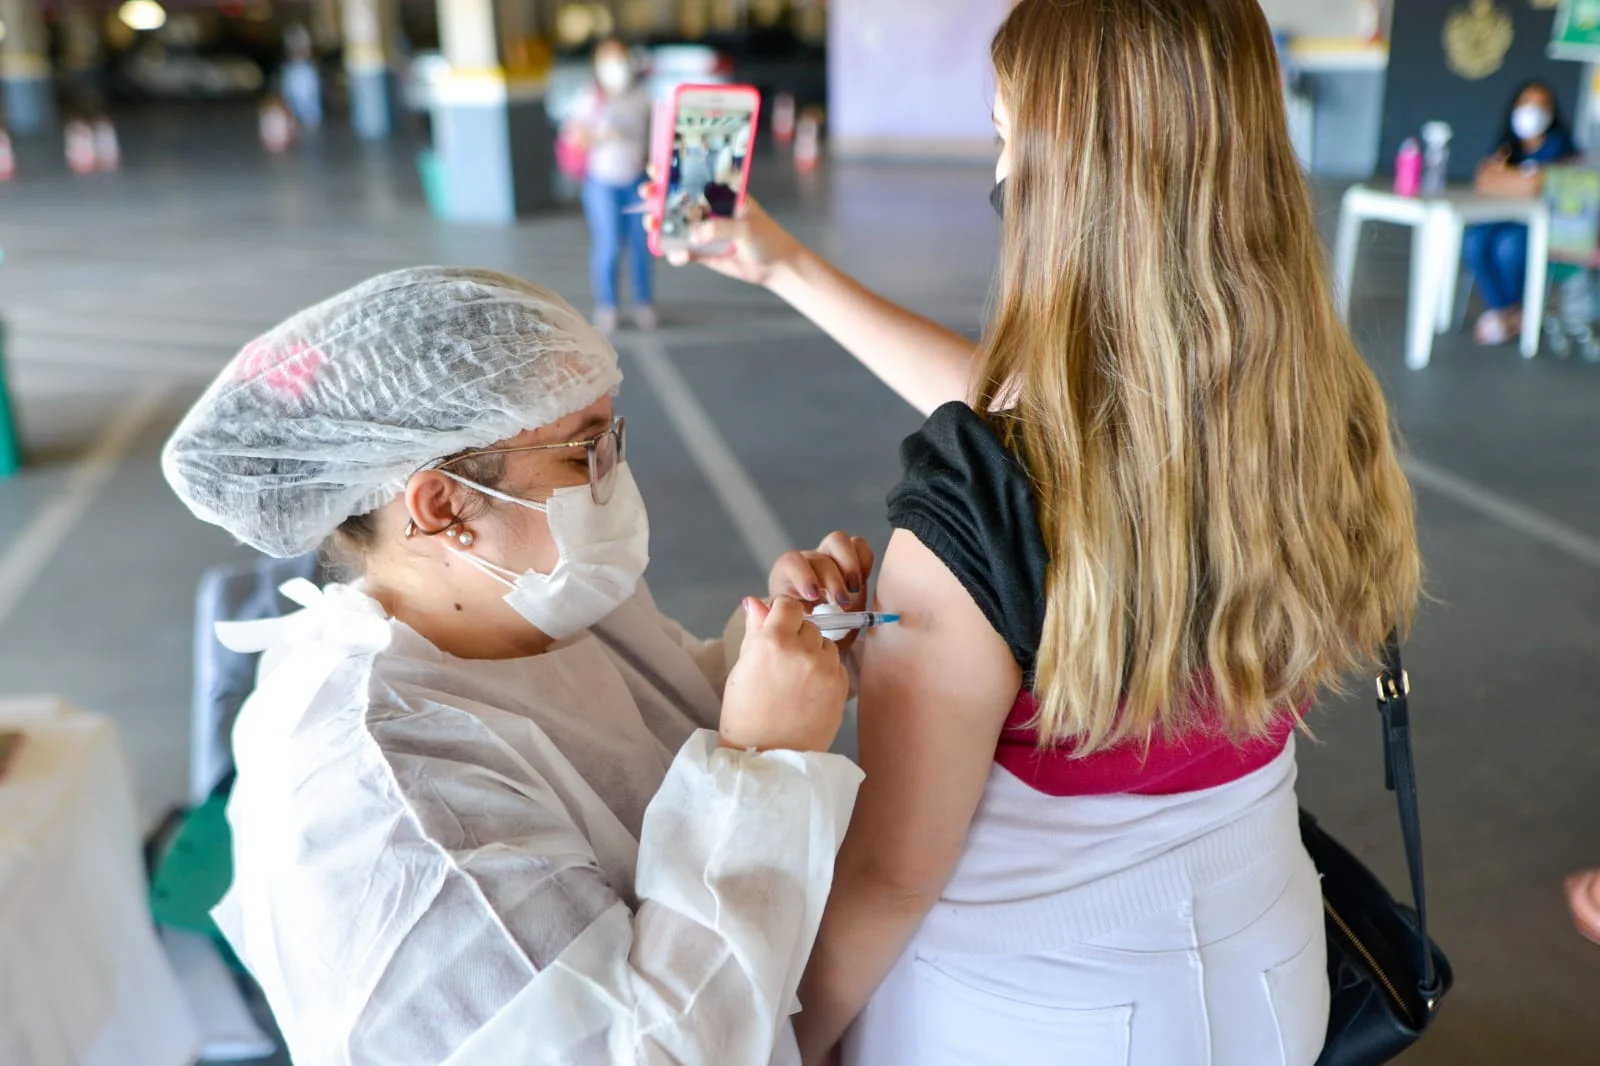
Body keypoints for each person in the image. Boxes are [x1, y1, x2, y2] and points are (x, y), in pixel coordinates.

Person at [654, 1, 1421, 1063]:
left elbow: (892, 875)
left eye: (1009, 133)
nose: (1002, 168)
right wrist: (782, 266)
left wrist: (785, 1041)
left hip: (1031, 1012)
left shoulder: (979, 511)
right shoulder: (1306, 413)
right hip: (1273, 967)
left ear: (1073, 173)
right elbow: (1052, 430)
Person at [161, 267, 876, 1065]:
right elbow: (646, 1051)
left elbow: (653, 730)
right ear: (441, 506)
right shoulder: (390, 805)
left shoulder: (543, 599)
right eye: (582, 455)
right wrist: (761, 766)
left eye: (615, 438)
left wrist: (761, 659)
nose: (615, 479)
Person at [1467, 80, 1579, 346]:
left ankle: (1512, 313)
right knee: (1474, 241)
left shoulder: (1559, 147)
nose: (1531, 111)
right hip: (1502, 218)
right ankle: (1509, 310)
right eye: (1526, 104)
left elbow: (1534, 186)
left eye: (1540, 105)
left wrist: (1504, 179)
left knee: (1509, 247)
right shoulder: (1508, 146)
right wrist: (1514, 180)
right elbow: (1483, 179)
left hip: (1544, 225)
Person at [563, 41, 656, 335]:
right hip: (602, 183)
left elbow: (653, 139)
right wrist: (601, 136)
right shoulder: (590, 98)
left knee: (642, 246)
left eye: (621, 59)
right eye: (610, 61)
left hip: (637, 181)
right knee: (610, 246)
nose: (617, 67)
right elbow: (573, 137)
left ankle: (643, 303)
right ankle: (608, 306)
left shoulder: (642, 98)